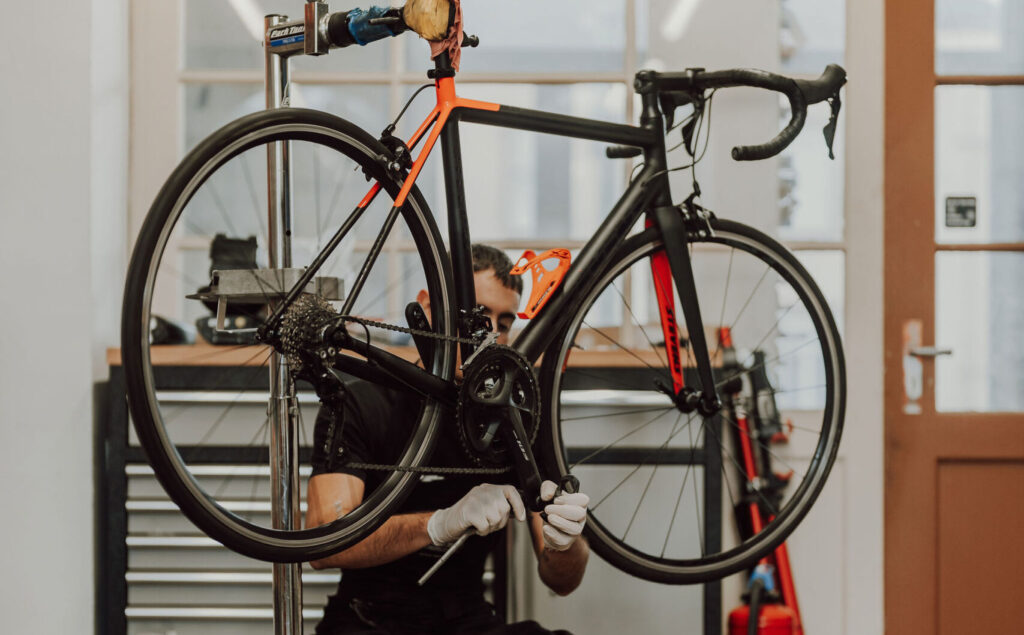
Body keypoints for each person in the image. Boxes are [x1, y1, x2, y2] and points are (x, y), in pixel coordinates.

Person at [306, 244, 590, 635]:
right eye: (476, 316)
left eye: (503, 323)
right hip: (367, 619)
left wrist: (566, 543)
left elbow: (563, 580)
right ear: (427, 307)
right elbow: (326, 542)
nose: (488, 336)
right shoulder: (361, 402)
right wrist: (441, 524)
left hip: (464, 619)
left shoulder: (519, 419)